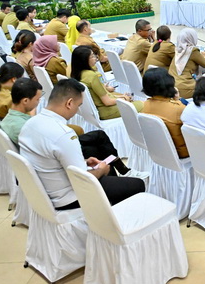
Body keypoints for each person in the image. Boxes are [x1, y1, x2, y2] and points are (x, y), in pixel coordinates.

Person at [19, 79, 146, 209]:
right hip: (68, 198)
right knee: (138, 184)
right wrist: (101, 171)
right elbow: (82, 180)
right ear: (69, 103)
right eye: (78, 105)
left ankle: (112, 200)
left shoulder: (30, 124)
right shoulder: (64, 134)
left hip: (48, 188)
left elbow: (49, 157)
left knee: (92, 151)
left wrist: (84, 161)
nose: (77, 110)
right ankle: (117, 218)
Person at [71, 46, 142, 119]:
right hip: (107, 110)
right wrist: (124, 98)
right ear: (84, 60)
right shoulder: (94, 76)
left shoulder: (77, 74)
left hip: (98, 109)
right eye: (92, 56)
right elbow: (107, 102)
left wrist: (122, 97)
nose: (96, 57)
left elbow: (101, 96)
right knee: (143, 105)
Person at [142, 68, 188, 158]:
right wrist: (178, 100)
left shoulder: (145, 105)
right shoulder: (178, 109)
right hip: (183, 152)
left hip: (162, 150)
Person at [170, 29, 205, 99]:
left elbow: (197, 55)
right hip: (186, 88)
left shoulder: (178, 49)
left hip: (172, 86)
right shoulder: (193, 51)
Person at [0, 78, 42, 145]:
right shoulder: (24, 128)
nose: (39, 102)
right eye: (37, 99)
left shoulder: (8, 119)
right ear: (25, 101)